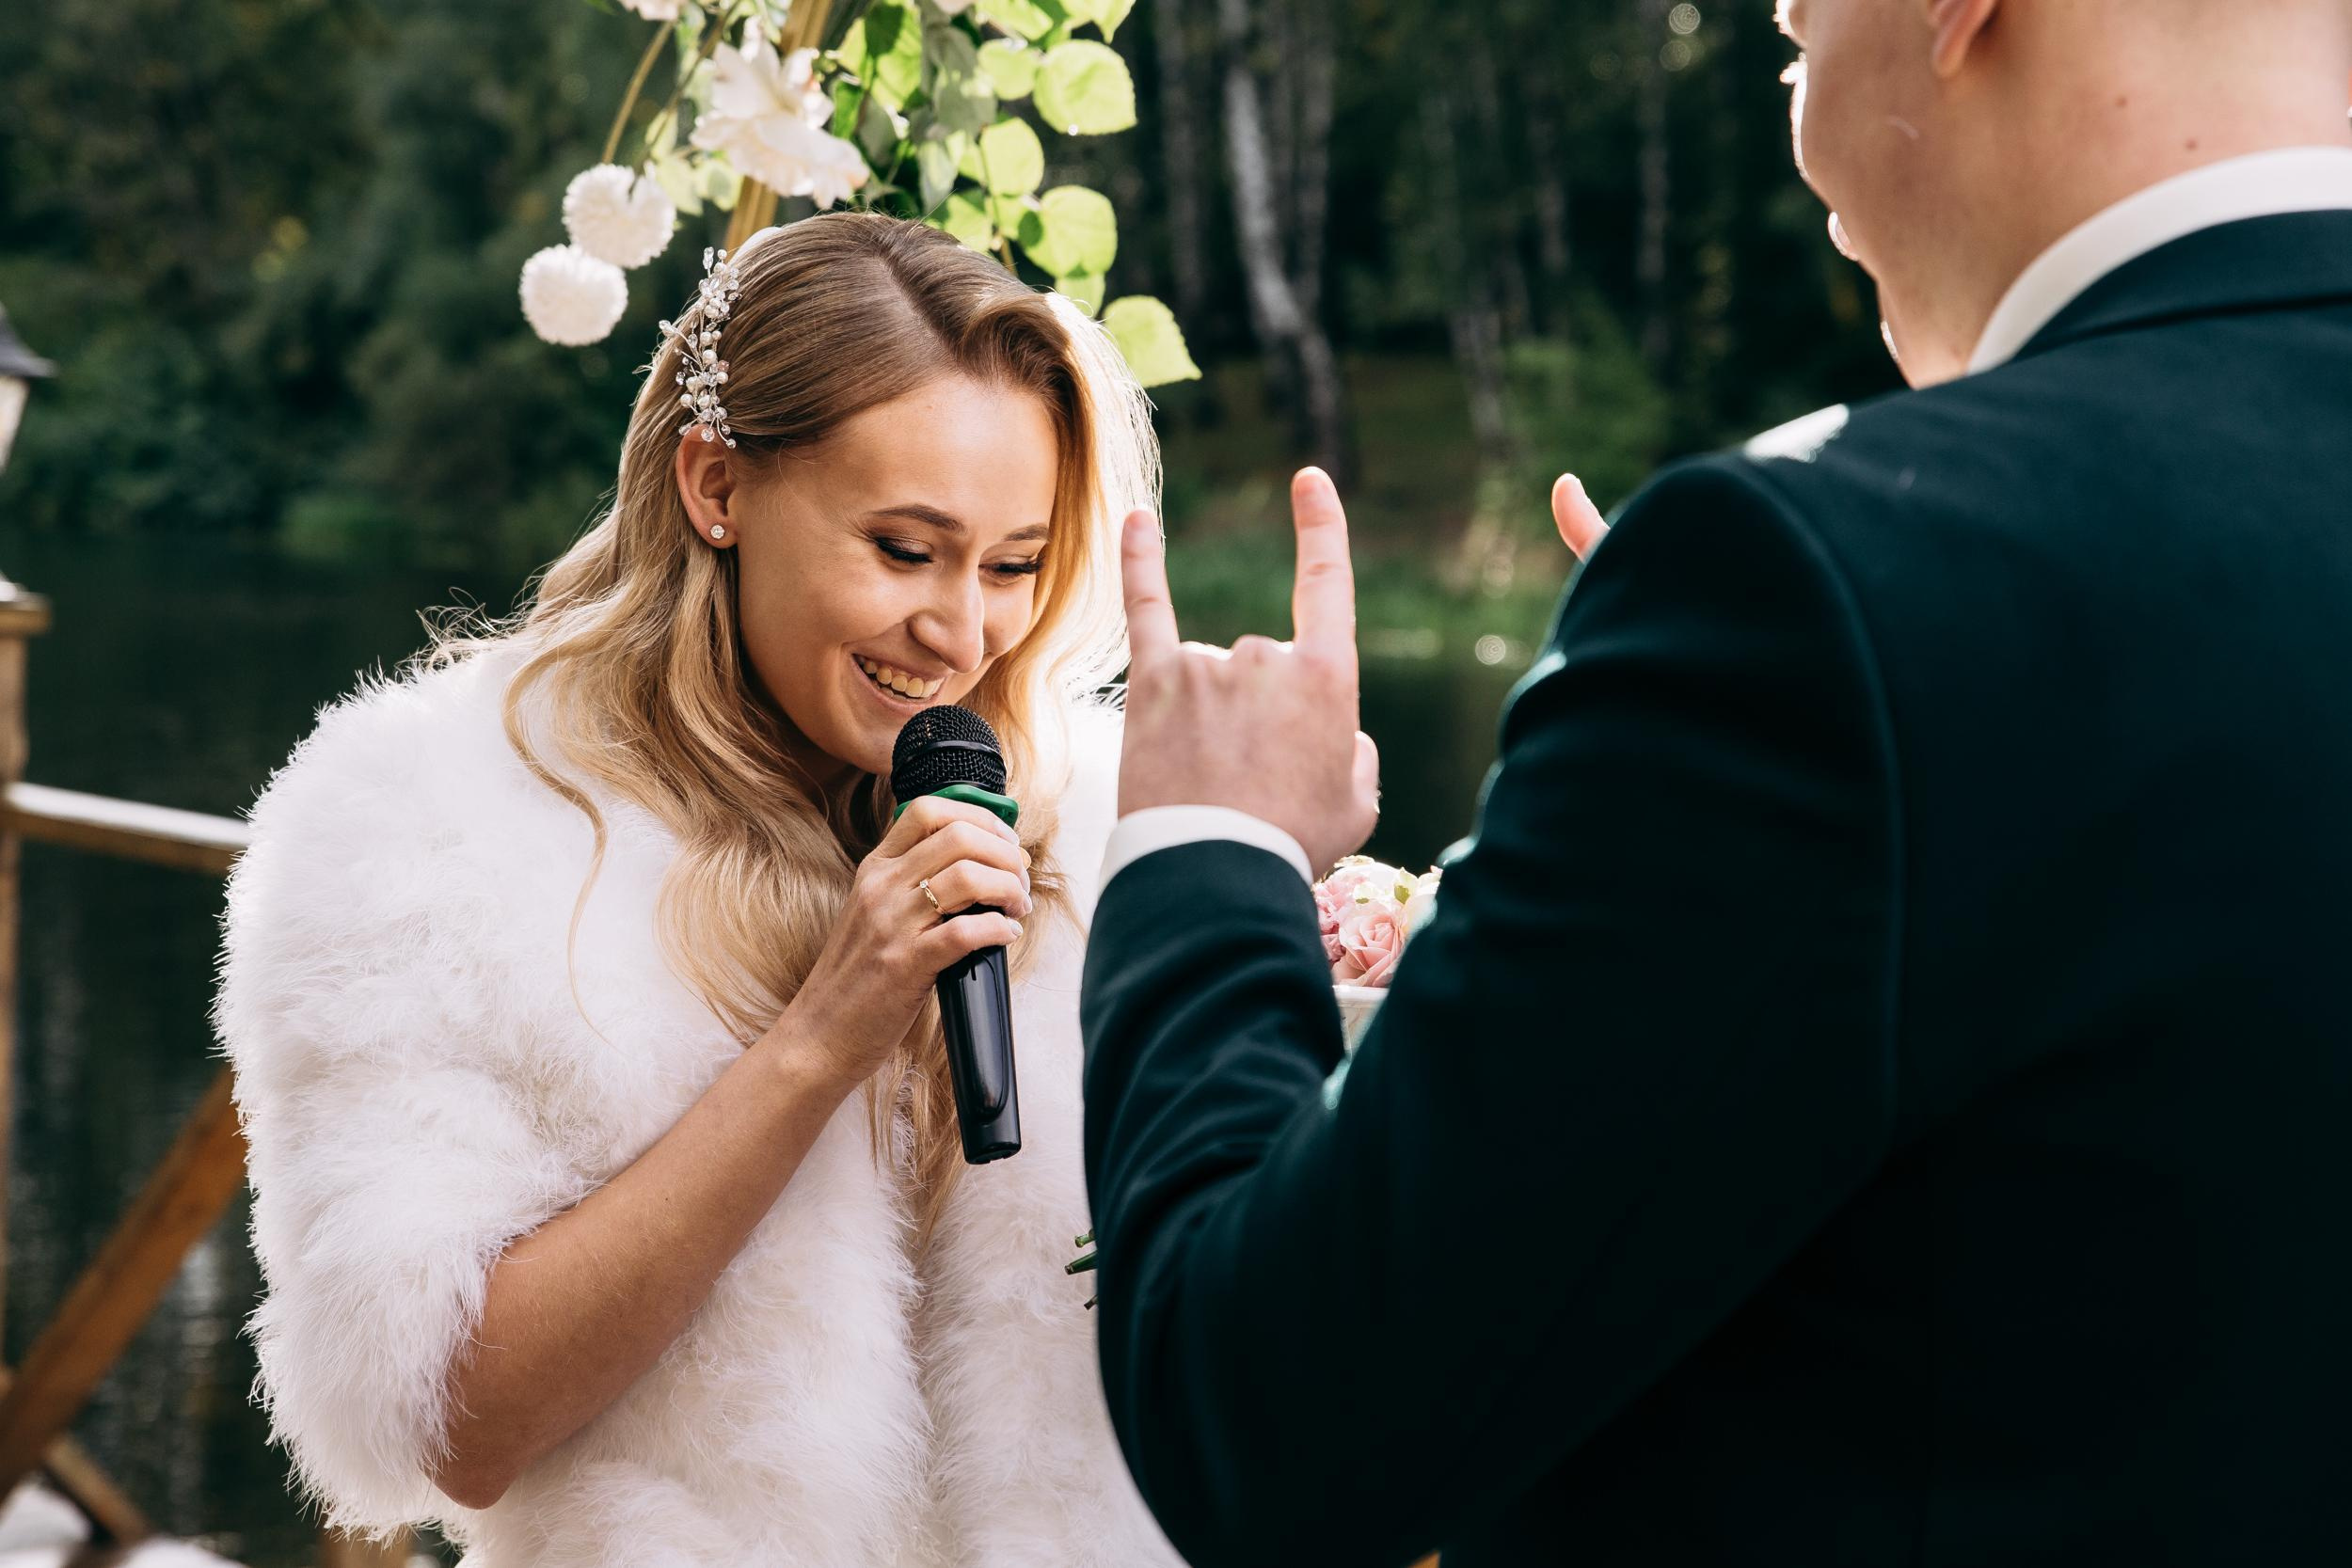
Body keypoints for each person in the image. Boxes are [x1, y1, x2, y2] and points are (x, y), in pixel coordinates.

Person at [1080, 3, 2352, 1563]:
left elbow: (1264, 1416)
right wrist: (1648, 821)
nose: (1782, 23)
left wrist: (1209, 842)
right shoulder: (1852, 625)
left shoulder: (1823, 602)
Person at [215, 213, 1184, 1567]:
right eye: (905, 550)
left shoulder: (1102, 814)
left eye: (1014, 565)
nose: (963, 633)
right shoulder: (433, 827)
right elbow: (447, 1426)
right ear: (716, 486)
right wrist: (820, 1039)